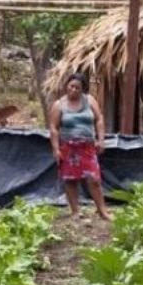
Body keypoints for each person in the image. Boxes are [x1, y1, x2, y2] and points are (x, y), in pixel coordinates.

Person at [46, 72, 110, 220]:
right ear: (66, 86)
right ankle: (75, 211)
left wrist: (101, 140)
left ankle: (103, 211)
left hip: (87, 146)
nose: (73, 90)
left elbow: (99, 119)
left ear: (83, 89)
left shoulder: (89, 101)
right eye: (71, 86)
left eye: (77, 88)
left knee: (94, 179)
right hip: (67, 147)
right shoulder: (59, 105)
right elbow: (54, 128)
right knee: (70, 179)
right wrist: (56, 149)